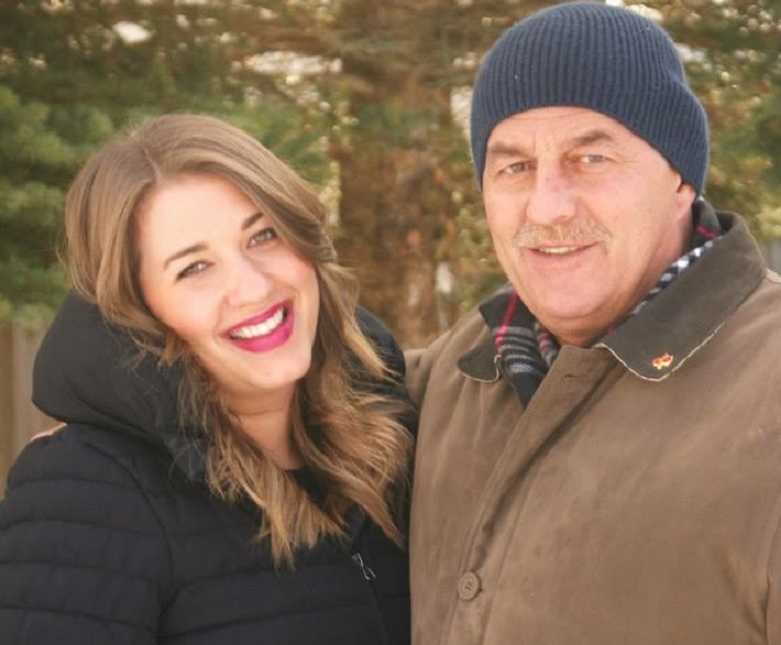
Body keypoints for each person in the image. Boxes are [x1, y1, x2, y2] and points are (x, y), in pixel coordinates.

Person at [406, 3, 781, 644]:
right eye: (514, 167)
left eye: (592, 159)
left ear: (680, 179)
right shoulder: (459, 370)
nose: (547, 207)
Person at [0, 114, 414, 645]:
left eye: (263, 235)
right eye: (194, 268)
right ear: (140, 309)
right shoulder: (87, 490)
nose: (253, 285)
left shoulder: (392, 436)